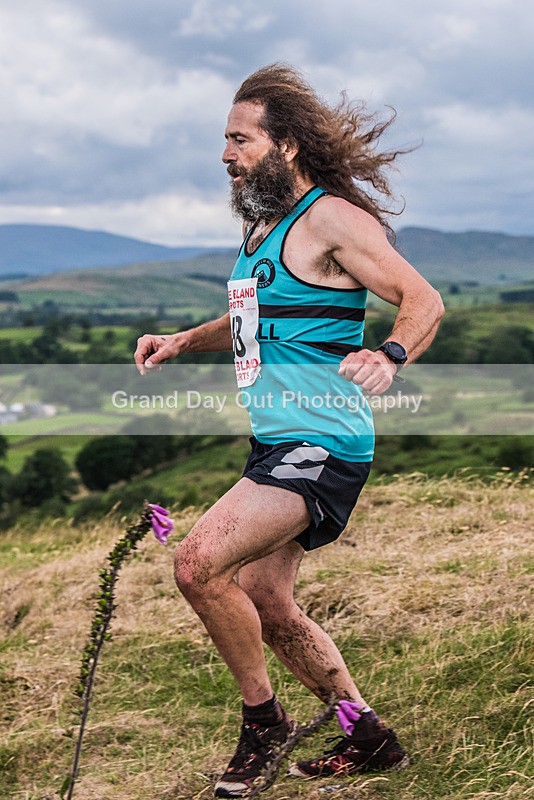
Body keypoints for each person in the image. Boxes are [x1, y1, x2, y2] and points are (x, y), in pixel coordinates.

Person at [134, 64, 444, 798]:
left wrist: (390, 352)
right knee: (269, 603)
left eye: (239, 139)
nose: (225, 154)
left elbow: (422, 298)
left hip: (323, 442)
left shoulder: (331, 219)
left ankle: (264, 722)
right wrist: (183, 340)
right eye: (225, 139)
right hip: (279, 442)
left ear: (288, 146)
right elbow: (254, 324)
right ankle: (367, 737)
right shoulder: (262, 229)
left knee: (197, 564)